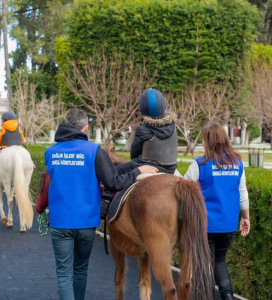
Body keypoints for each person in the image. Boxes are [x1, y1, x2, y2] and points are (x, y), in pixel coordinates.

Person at [40, 109, 158, 300]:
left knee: (63, 273)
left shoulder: (50, 153)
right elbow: (113, 182)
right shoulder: (94, 151)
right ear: (85, 127)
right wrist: (137, 171)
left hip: (60, 222)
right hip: (86, 223)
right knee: (80, 270)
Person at [184, 123, 250, 300]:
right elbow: (242, 194)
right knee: (219, 261)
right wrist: (246, 218)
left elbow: (182, 190)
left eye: (203, 139)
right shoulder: (237, 164)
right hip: (228, 225)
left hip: (204, 225)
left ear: (208, 141)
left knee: (203, 266)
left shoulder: (200, 164)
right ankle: (227, 296)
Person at [100, 88, 178, 219]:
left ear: (143, 109)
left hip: (147, 165)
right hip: (171, 167)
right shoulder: (173, 125)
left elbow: (134, 152)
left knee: (116, 170)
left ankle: (105, 204)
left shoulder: (144, 128)